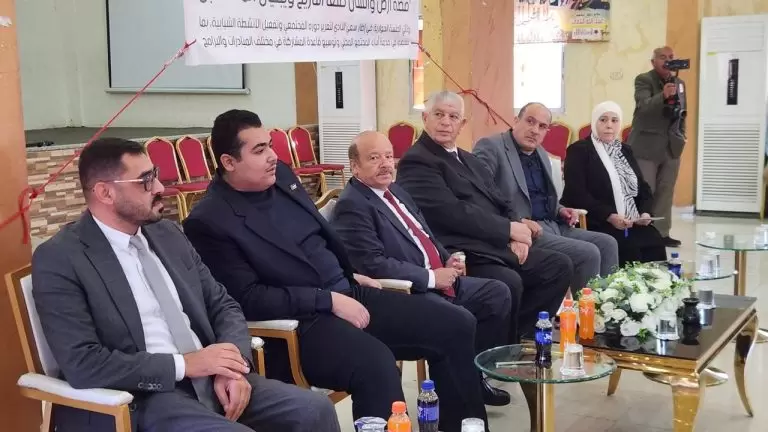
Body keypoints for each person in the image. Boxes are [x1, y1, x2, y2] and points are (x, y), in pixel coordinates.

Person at [182, 110, 488, 432]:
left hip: (347, 291)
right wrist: (326, 300)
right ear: (229, 162)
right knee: (375, 363)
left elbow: (318, 241)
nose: (272, 155)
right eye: (259, 150)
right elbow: (248, 299)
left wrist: (350, 273)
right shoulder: (210, 221)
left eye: (270, 145)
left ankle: (463, 427)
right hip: (302, 323)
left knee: (456, 323)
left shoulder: (281, 176)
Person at [30, 138, 339, 432]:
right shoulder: (61, 258)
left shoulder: (168, 234)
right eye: (145, 181)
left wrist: (231, 366)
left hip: (212, 376)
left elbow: (223, 304)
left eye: (155, 175)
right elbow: (82, 362)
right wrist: (184, 365)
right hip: (144, 397)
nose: (160, 188)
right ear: (105, 193)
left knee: (315, 409)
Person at [331, 130, 513, 406]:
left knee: (497, 293)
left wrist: (446, 258)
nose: (385, 164)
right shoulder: (352, 205)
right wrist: (430, 277)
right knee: (458, 320)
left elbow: (424, 234)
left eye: (389, 156)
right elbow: (372, 264)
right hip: (406, 292)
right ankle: (460, 405)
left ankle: (472, 377)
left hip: (438, 277)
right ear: (355, 167)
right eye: (374, 158)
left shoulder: (396, 191)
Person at [395, 91, 572, 341]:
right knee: (509, 281)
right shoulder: (417, 160)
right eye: (439, 114)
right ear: (425, 118)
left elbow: (500, 198)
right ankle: (495, 350)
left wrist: (517, 230)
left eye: (453, 117)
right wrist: (507, 231)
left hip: (490, 244)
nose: (445, 122)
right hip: (459, 250)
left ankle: (518, 338)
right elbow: (452, 213)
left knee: (558, 266)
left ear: (462, 123)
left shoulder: (467, 158)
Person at [473, 102, 619, 290]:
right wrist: (516, 222)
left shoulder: (540, 153)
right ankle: (582, 308)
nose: (535, 130)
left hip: (553, 224)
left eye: (542, 126)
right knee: (588, 253)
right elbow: (479, 194)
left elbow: (543, 196)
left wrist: (561, 210)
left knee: (608, 243)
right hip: (526, 229)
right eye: (530, 121)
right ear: (516, 120)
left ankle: (608, 303)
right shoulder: (491, 147)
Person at [561, 101, 667, 265]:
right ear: (594, 122)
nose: (609, 125)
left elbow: (643, 187)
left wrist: (645, 213)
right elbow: (575, 193)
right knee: (629, 249)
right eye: (603, 120)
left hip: (631, 221)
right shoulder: (580, 150)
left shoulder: (625, 150)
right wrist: (610, 216)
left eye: (614, 120)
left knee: (655, 242)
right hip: (599, 221)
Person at [627, 46, 687, 247]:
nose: (667, 60)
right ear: (653, 62)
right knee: (645, 191)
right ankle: (642, 233)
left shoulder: (680, 83)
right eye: (662, 57)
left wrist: (682, 135)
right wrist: (663, 95)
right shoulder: (644, 80)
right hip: (646, 146)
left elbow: (682, 112)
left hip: (672, 146)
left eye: (671, 57)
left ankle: (662, 234)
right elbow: (643, 106)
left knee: (665, 191)